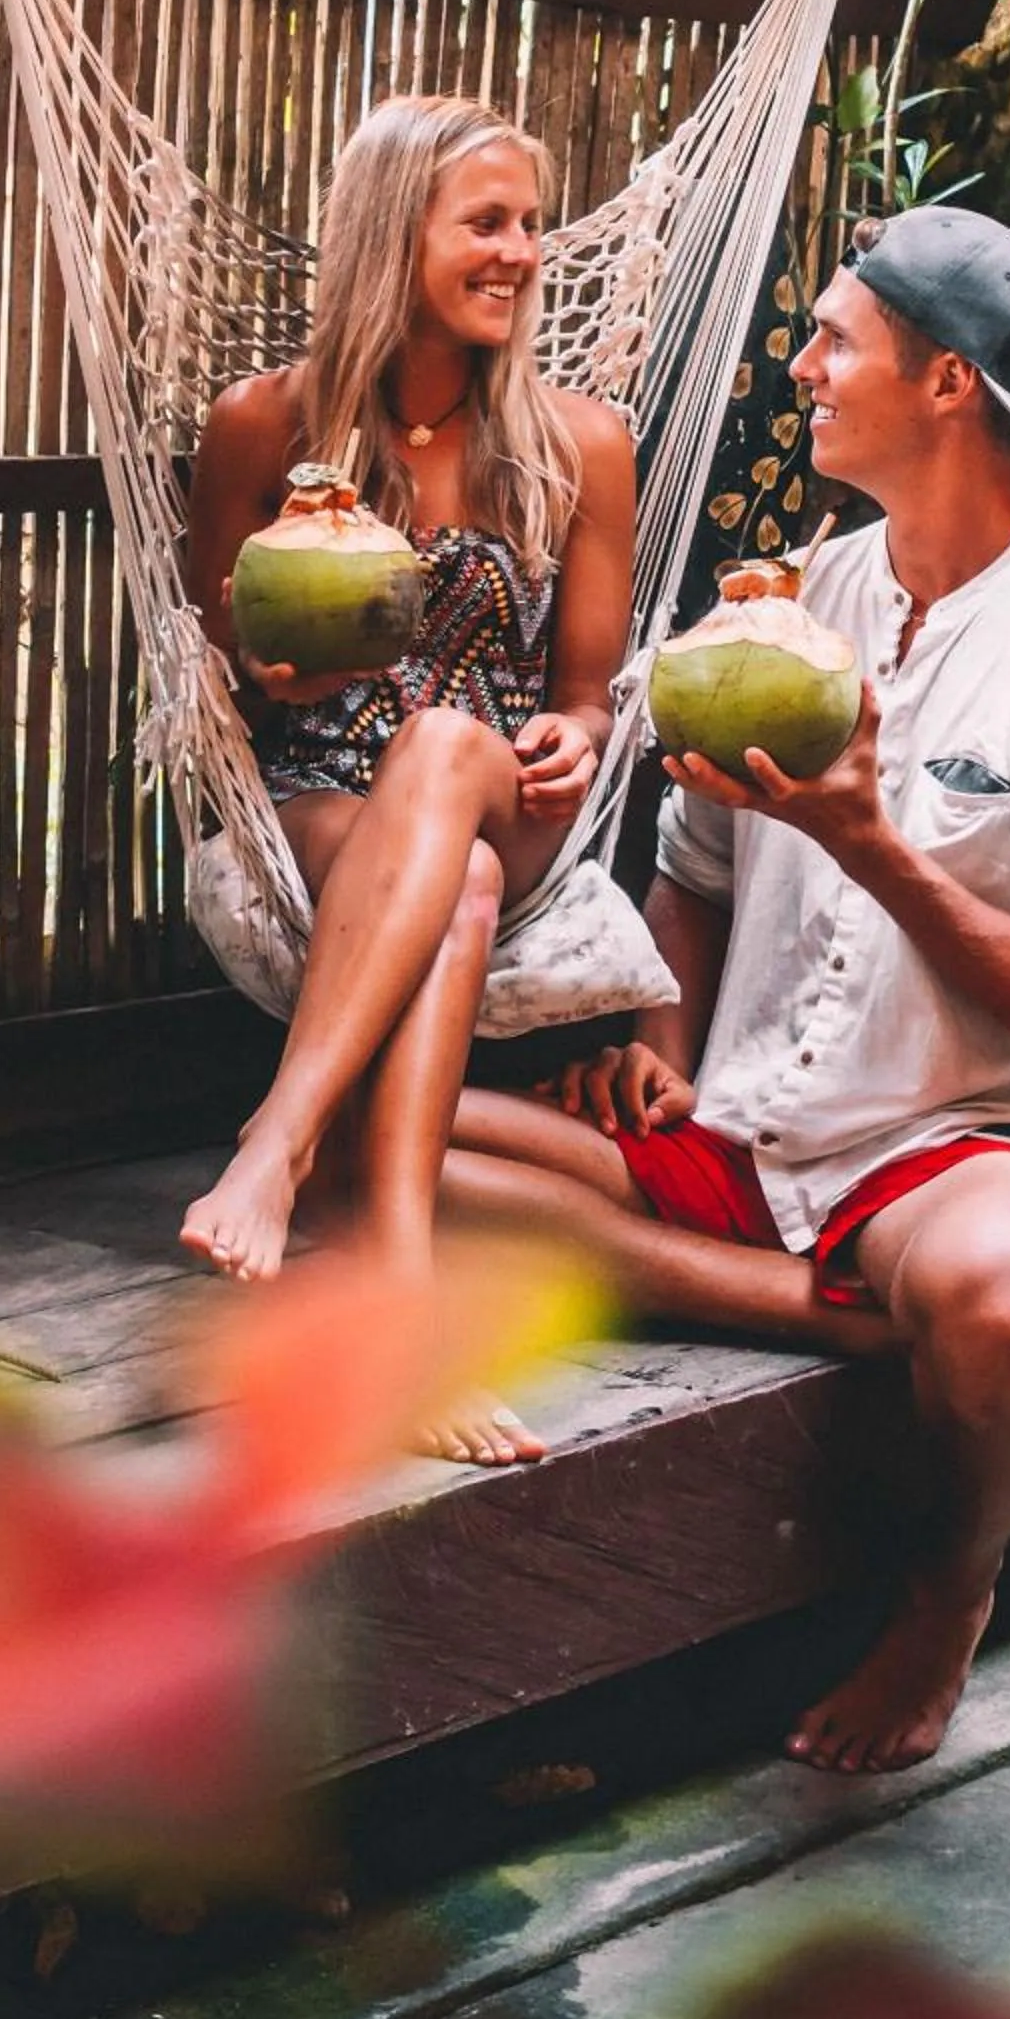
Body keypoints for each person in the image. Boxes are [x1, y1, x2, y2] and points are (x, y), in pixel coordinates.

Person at [441, 204, 1010, 1762]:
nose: (798, 367)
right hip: (743, 1126)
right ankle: (841, 1319)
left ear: (943, 385)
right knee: (379, 1156)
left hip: (951, 1144)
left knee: (1000, 1314)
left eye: (832, 340)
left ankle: (945, 1597)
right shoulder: (785, 608)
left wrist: (871, 840)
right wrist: (658, 1042)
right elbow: (694, 878)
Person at [181, 93, 636, 1461]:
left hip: (506, 780)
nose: (519, 252)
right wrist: (281, 678)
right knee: (457, 889)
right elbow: (223, 661)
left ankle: (277, 1138)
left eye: (529, 225)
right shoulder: (263, 428)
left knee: (450, 759)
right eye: (483, 224)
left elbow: (581, 695)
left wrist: (579, 734)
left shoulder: (579, 445)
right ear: (394, 237)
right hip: (327, 794)